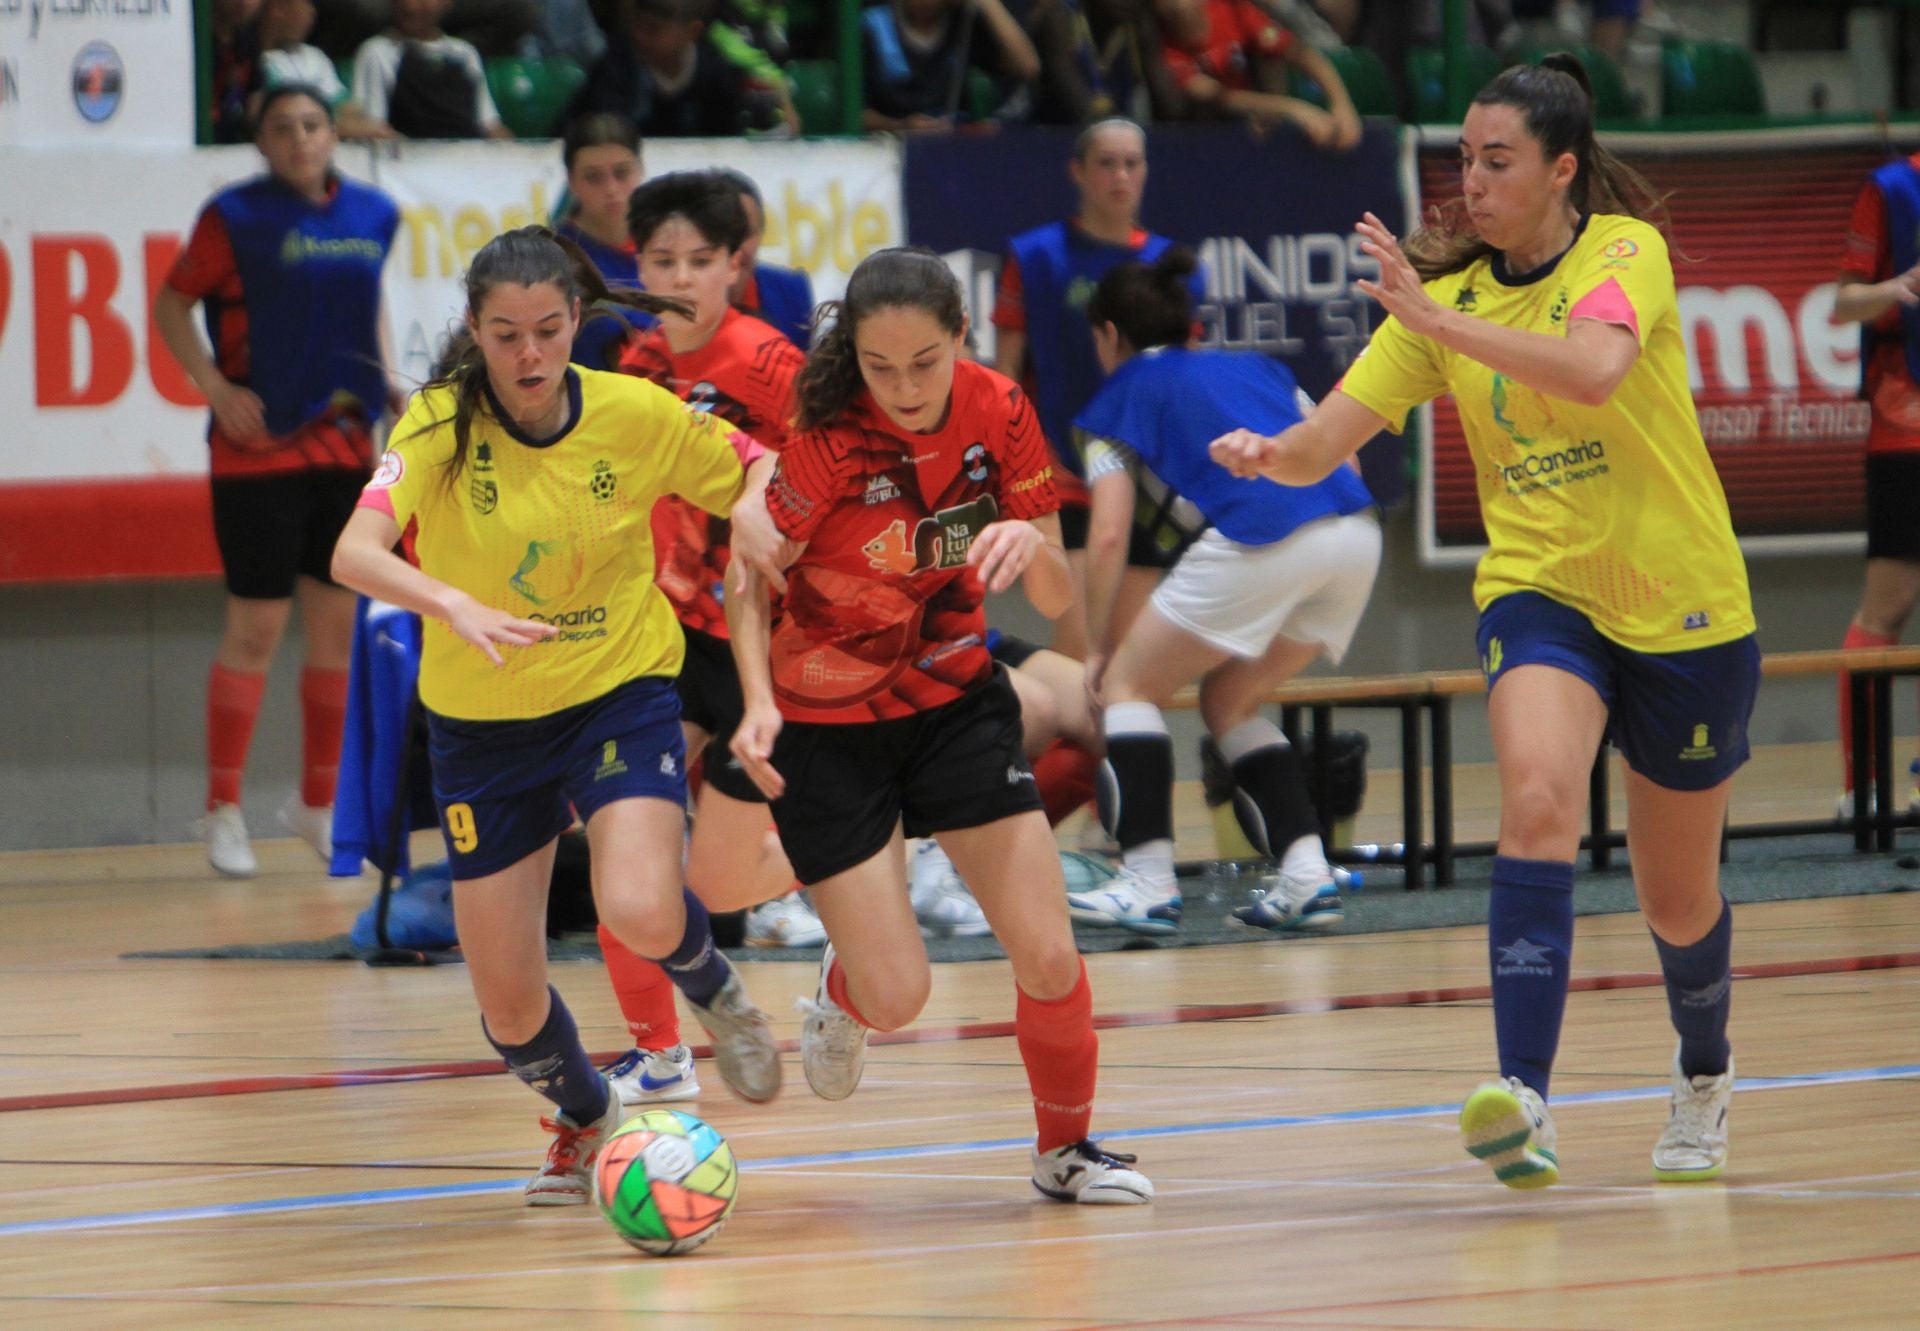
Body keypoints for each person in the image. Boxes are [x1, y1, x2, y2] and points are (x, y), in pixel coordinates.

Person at [1213, 56, 1756, 1188]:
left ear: (1563, 171)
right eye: (1465, 157)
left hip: (1684, 596)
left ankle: (1704, 1067)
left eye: (1497, 160)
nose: (1473, 180)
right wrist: (1275, 453)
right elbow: (1326, 441)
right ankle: (1525, 1094)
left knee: (1676, 895)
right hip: (1541, 588)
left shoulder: (1622, 253)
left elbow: (1598, 372)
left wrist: (1435, 321)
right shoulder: (1438, 303)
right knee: (1538, 798)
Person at [331, 226, 784, 1203]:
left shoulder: (635, 413)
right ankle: (587, 1116)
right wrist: (446, 600)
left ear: (576, 319)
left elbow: (759, 465)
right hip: (482, 725)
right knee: (505, 1004)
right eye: (505, 335)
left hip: (617, 690)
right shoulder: (441, 425)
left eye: (546, 330)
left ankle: (718, 990)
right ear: (474, 331)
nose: (529, 355)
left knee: (635, 899)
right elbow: (353, 551)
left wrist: (753, 500)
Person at [725, 247, 1153, 1204]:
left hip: (954, 701)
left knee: (1048, 950)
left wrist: (1021, 545)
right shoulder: (828, 439)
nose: (904, 386)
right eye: (880, 367)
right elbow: (747, 574)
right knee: (899, 995)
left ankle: (1066, 1151)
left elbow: (1052, 588)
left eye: (924, 362)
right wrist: (755, 698)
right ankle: (846, 989)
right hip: (823, 725)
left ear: (961, 337)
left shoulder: (999, 409)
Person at [590, 171, 823, 1105]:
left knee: (717, 886)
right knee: (624, 854)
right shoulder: (631, 368)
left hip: (764, 640)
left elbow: (828, 491)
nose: (680, 279)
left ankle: (875, 842)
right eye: (660, 261)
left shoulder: (773, 368)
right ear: (633, 266)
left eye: (701, 260)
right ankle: (659, 1052)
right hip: (660, 641)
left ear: (739, 263)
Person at [1068, 249, 1378, 935]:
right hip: (1357, 534)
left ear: (1109, 335)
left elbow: (1111, 534)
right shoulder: (1259, 366)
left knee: (1126, 689)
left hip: (1265, 533)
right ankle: (1305, 876)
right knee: (1228, 699)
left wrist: (1097, 648)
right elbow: (1344, 456)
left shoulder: (1111, 399)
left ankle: (1147, 882)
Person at [153, 84, 403, 879]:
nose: (300, 139)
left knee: (334, 634)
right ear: (259, 141)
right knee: (256, 629)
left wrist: (387, 378)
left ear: (334, 134)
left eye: (312, 125)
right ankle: (223, 806)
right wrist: (215, 389)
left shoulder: (374, 213)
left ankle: (317, 803)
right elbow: (170, 305)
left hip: (343, 447)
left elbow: (368, 306)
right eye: (282, 129)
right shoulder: (233, 219)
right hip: (255, 452)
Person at [993, 119, 1202, 663]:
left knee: (1122, 656)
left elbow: (1185, 379)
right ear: (1078, 172)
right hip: (1061, 473)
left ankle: (1108, 748)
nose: (1120, 175)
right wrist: (1026, 463)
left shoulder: (1171, 264)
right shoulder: (1035, 256)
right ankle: (1074, 746)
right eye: (1107, 162)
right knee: (1079, 647)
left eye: (1132, 163)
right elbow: (1007, 380)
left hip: (1143, 476)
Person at [1829, 147, 1920, 814]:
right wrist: (1896, 288)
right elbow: (1843, 302)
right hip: (1907, 422)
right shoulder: (1891, 188)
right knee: (1888, 605)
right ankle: (1863, 786)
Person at [1151, 0, 1363, 147]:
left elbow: (1298, 52)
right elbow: (1221, 98)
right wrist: (1293, 109)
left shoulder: (1233, 11)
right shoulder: (1165, 53)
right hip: (1204, 130)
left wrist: (1341, 103)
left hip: (1262, 115)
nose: (1178, 6)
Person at [572, 0, 790, 138]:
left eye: (653, 29)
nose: (640, 36)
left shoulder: (715, 72)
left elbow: (728, 139)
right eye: (637, 25)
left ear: (692, 32)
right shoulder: (615, 64)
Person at [555, 113, 653, 371]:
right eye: (593, 177)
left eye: (622, 173)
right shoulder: (555, 261)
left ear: (640, 170)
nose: (611, 189)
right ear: (572, 181)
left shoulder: (671, 250)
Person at [860, 0, 1043, 132]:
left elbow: (1027, 66)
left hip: (950, 144)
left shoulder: (962, 21)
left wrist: (988, 4)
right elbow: (856, 114)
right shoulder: (871, 21)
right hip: (887, 149)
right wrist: (900, 126)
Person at [350, 0, 512, 139]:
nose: (411, 6)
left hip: (468, 159)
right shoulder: (377, 52)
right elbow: (376, 128)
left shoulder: (465, 53)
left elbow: (490, 125)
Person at [253, 0, 391, 139]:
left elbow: (346, 108)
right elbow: (284, 122)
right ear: (278, 9)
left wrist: (365, 125)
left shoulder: (314, 56)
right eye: (306, 5)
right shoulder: (257, 61)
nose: (312, 13)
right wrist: (349, 128)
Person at [714, 167, 816, 350]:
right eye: (721, 234)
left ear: (762, 233)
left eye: (745, 234)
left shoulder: (792, 291)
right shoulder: (671, 299)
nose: (736, 248)